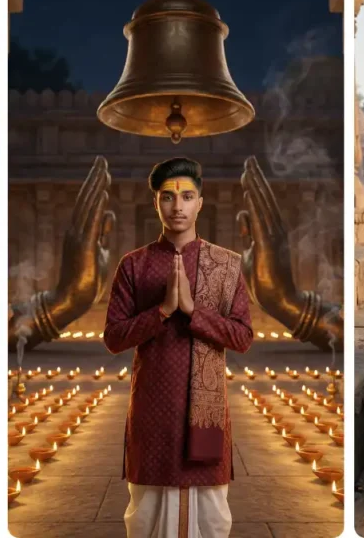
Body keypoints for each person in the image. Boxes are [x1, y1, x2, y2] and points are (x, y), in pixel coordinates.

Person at [103, 157, 254, 538]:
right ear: (156, 202)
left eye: (187, 196)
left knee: (213, 514)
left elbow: (243, 338)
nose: (178, 206)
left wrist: (192, 312)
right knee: (145, 510)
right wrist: (163, 311)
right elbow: (114, 338)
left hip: (206, 413)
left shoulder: (226, 265)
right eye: (168, 197)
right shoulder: (134, 266)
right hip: (153, 408)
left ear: (200, 202)